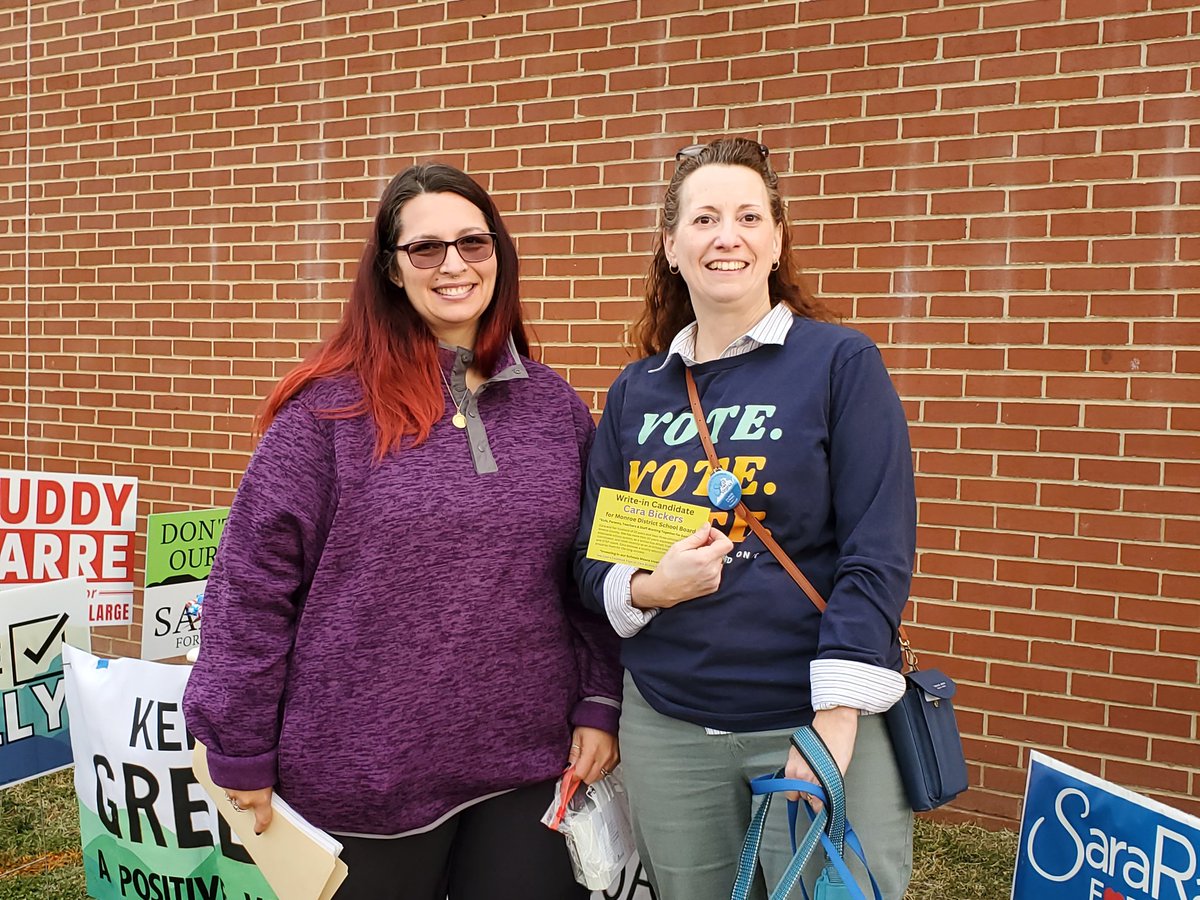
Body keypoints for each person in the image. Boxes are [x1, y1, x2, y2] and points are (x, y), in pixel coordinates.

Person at [183, 162, 622, 900]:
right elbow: (250, 591)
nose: (454, 265)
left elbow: (588, 567)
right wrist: (239, 747)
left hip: (527, 762)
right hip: (362, 777)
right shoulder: (326, 415)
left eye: (473, 243)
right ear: (391, 270)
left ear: (498, 255)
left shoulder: (555, 409)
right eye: (426, 249)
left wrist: (599, 701)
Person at [574, 137, 916, 900]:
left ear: (775, 240)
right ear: (670, 247)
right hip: (669, 729)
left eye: (747, 216)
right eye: (702, 219)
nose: (725, 236)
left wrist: (833, 722)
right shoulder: (640, 392)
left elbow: (877, 552)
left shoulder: (838, 364)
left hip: (811, 721)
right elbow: (598, 558)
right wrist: (654, 587)